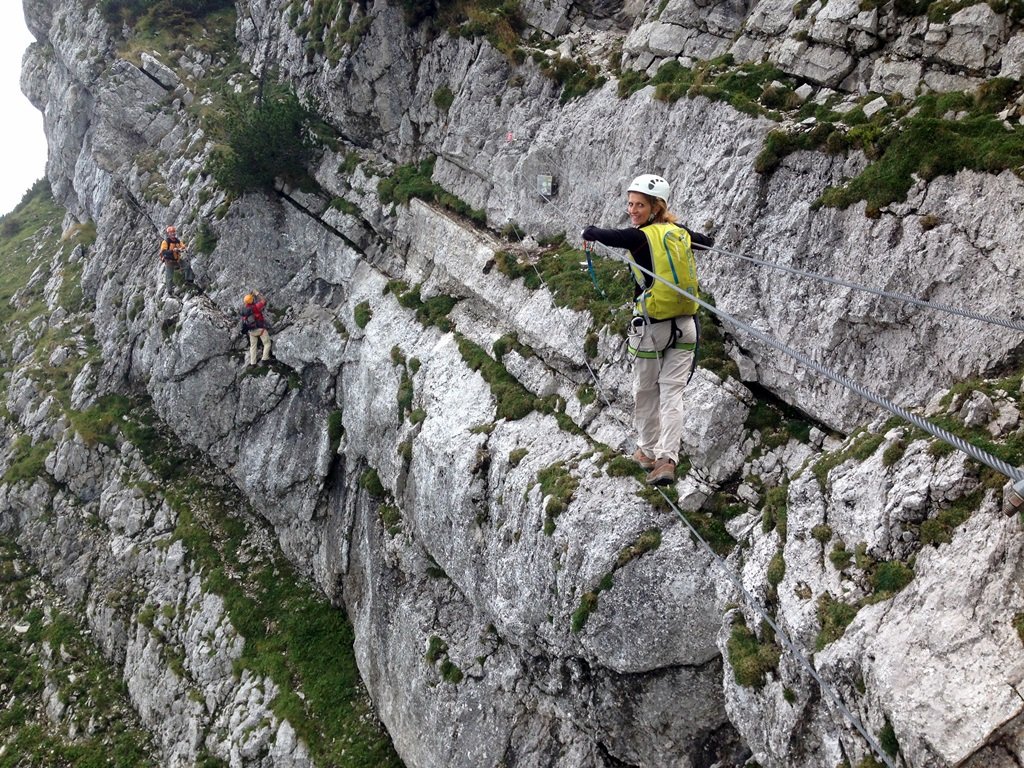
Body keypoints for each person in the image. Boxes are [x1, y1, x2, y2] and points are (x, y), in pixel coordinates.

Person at [581, 174, 713, 486]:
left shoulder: (639, 237)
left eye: (639, 205)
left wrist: (588, 230)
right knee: (672, 394)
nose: (632, 210)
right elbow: (707, 243)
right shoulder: (679, 232)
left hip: (651, 328)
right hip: (686, 325)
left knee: (645, 390)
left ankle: (646, 450)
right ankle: (667, 459)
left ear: (655, 207)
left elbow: (603, 234)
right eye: (630, 204)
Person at [241, 291, 272, 366]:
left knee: (253, 346)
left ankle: (253, 363)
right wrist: (257, 293)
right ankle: (265, 359)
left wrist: (250, 296)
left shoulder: (244, 310)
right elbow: (264, 301)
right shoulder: (256, 307)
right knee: (267, 343)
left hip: (251, 331)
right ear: (252, 300)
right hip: (259, 329)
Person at [159, 225, 194, 293]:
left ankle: (189, 281)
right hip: (169, 261)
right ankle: (170, 291)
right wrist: (173, 251)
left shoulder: (177, 241)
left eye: (173, 232)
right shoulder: (165, 242)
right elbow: (164, 252)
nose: (173, 233)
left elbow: (183, 246)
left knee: (187, 266)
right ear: (168, 234)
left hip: (177, 259)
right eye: (171, 232)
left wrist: (182, 248)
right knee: (169, 277)